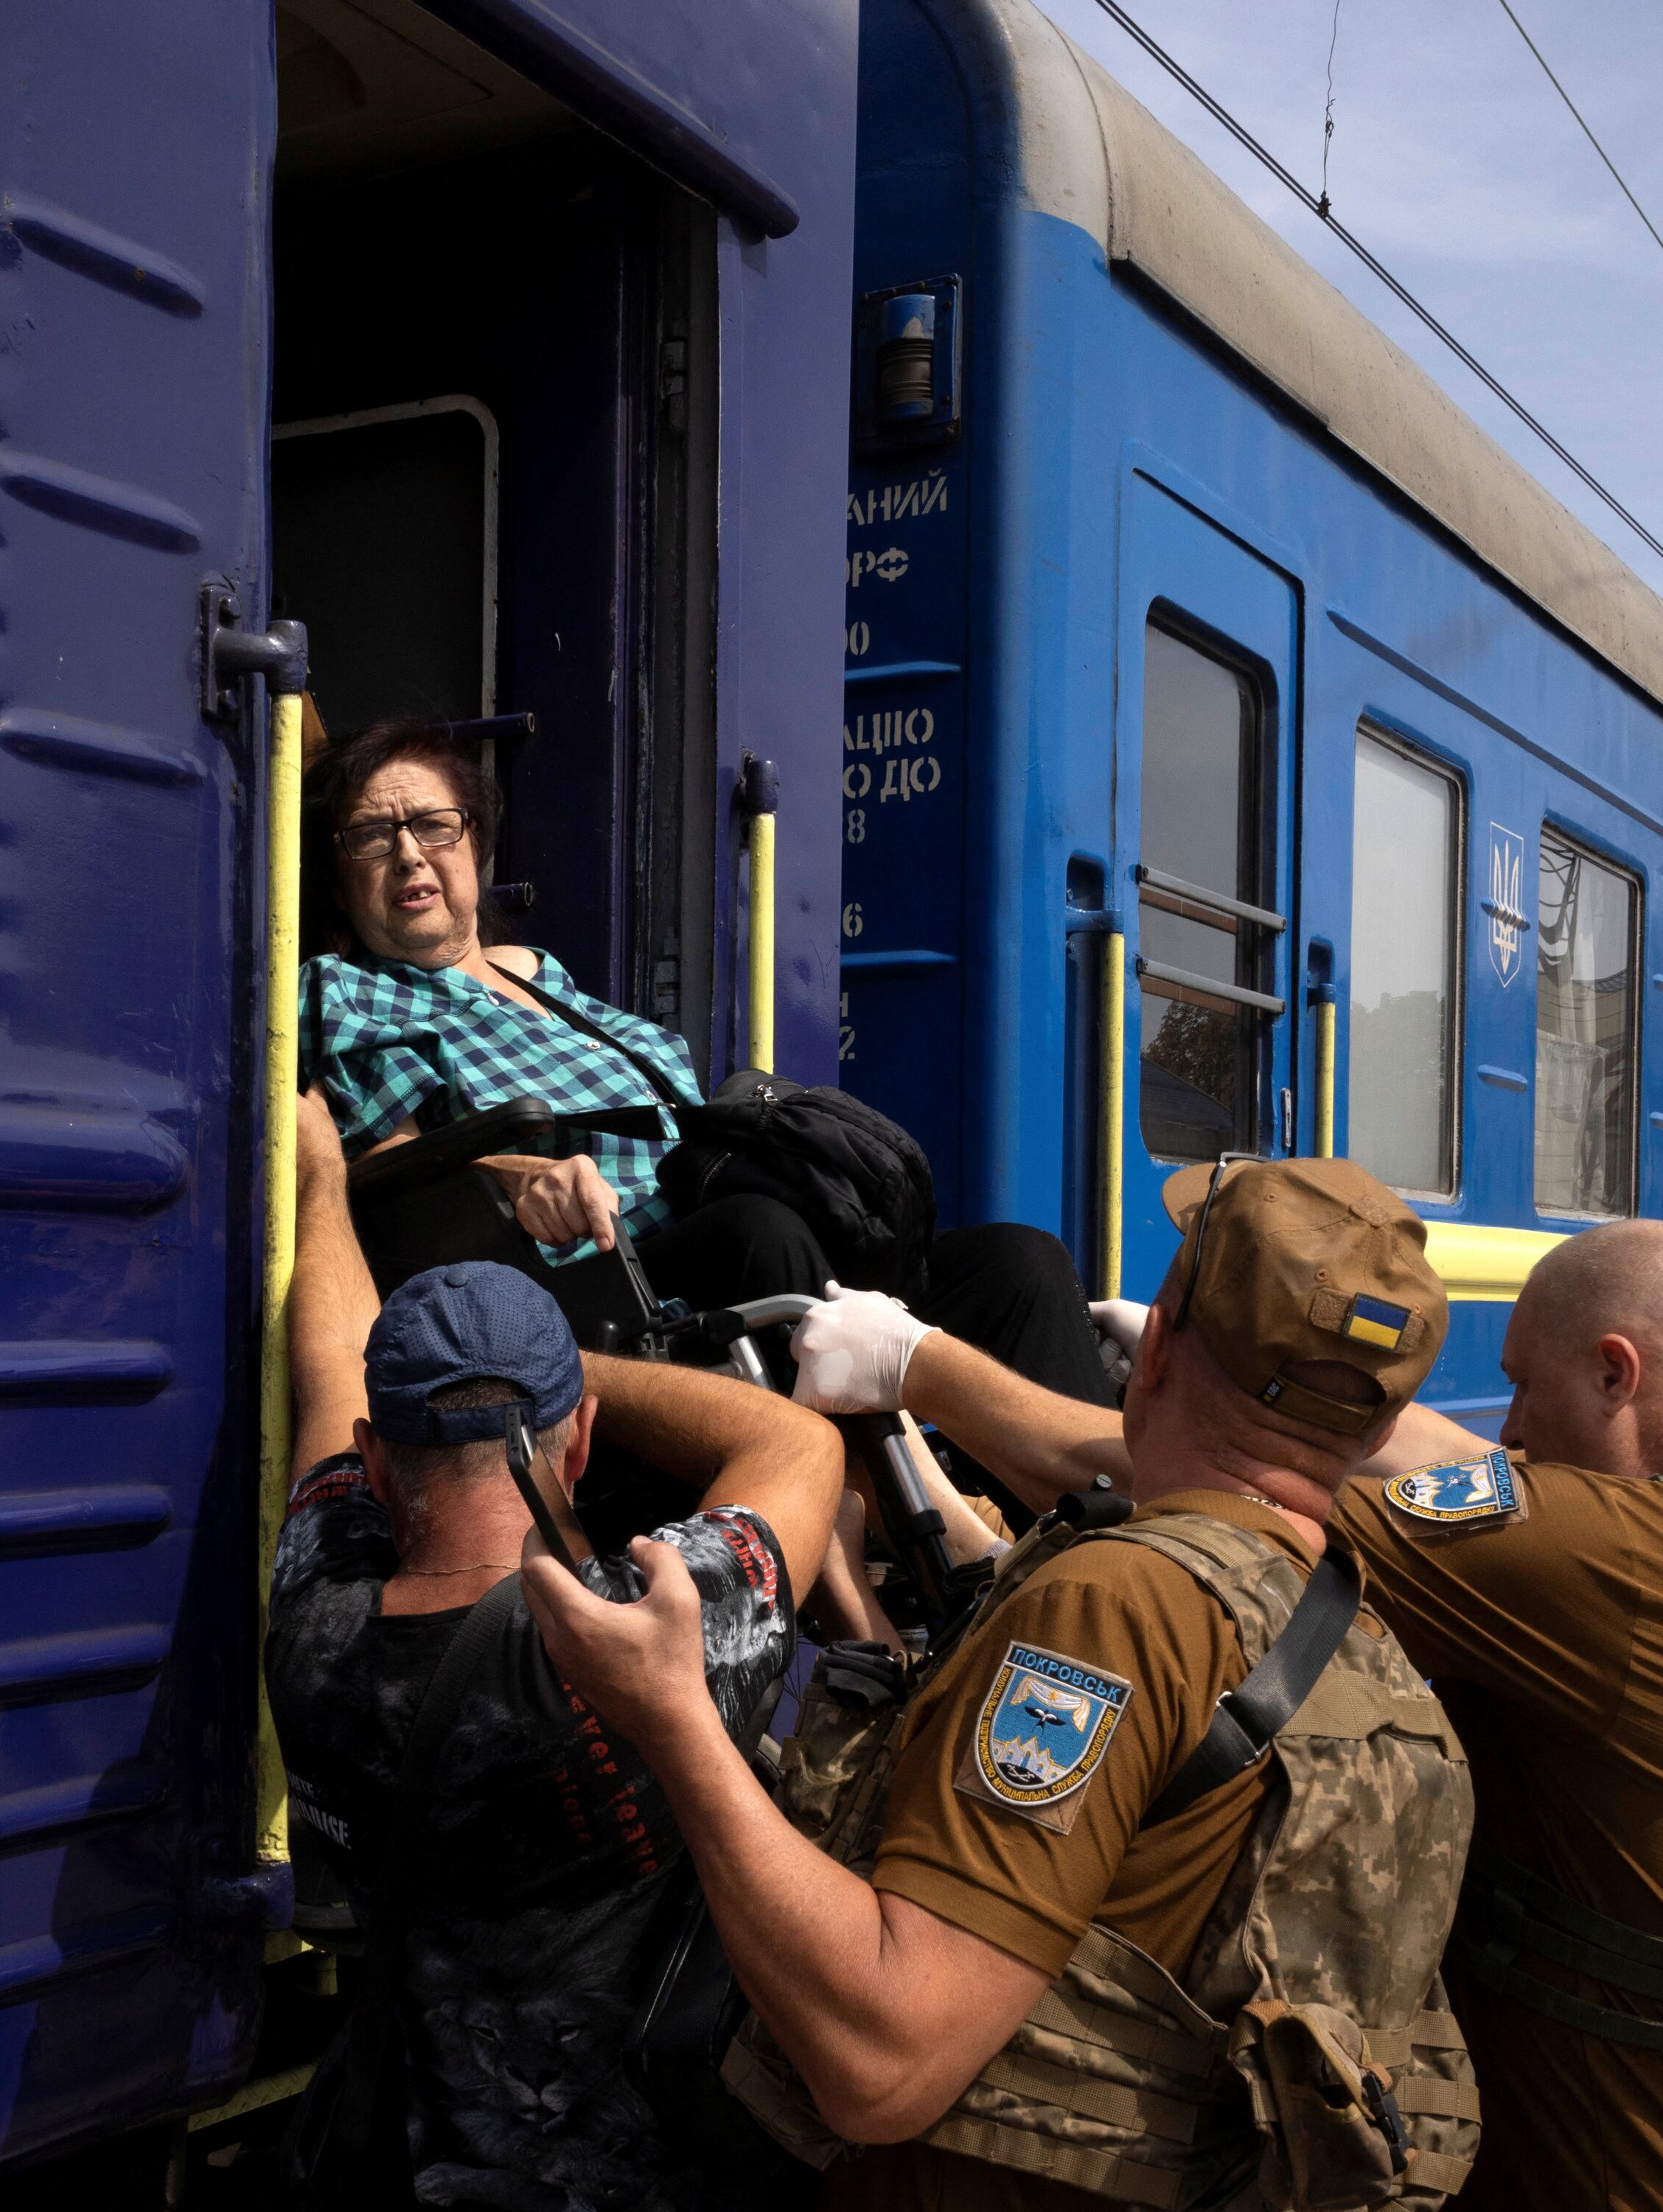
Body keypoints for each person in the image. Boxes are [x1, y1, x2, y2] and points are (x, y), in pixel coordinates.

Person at [782, 1211, 1663, 2211]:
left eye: (1523, 1387)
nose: (1506, 1427)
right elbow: (1461, 1471)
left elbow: (1235, 1481)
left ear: (1617, 1373)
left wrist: (917, 1366)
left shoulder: (1620, 1567)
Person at [520, 1158, 1479, 2212]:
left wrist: (673, 1719)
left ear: (1154, 1349)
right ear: (1379, 1430)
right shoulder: (1360, 1635)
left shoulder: (1118, 1608)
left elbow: (884, 2064)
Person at [264, 1094, 848, 2210]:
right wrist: (565, 1376)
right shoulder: (657, 1633)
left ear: (378, 1466)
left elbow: (336, 1363)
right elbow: (791, 1439)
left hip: (420, 2167)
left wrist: (323, 1184)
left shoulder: (313, 1618)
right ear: (576, 1439)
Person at [300, 713, 1113, 1409]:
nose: (409, 854)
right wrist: (520, 1176)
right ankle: (915, 1522)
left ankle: (1091, 1535)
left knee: (1021, 1263)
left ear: (474, 845)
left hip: (733, 1241)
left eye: (434, 825)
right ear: (340, 883)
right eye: (373, 836)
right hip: (609, 1287)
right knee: (760, 1237)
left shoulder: (550, 981)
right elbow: (394, 1172)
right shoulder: (352, 993)